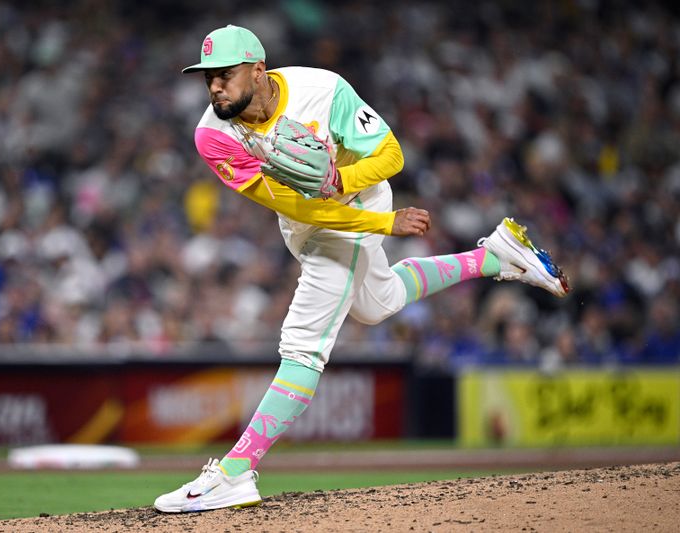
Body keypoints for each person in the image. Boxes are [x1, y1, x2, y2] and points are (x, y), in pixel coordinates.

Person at [154, 25, 570, 513]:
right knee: (378, 304)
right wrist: (379, 223)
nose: (214, 87)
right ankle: (494, 256)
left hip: (359, 199)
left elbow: (391, 155)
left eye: (224, 74)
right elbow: (302, 207)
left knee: (303, 344)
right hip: (307, 220)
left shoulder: (322, 90)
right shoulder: (213, 135)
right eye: (208, 78)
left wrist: (342, 181)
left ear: (258, 70)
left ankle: (235, 471)